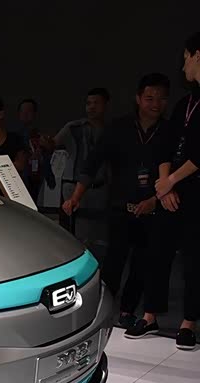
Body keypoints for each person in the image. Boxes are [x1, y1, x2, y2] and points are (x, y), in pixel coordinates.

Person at [63, 73, 171, 330]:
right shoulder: (119, 128)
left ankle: (127, 311)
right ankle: (103, 312)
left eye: (161, 99)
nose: (155, 104)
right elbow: (93, 162)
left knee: (142, 265)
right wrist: (76, 197)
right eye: (149, 98)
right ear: (138, 99)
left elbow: (171, 173)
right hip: (120, 207)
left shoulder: (168, 131)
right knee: (113, 262)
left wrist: (155, 200)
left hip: (152, 209)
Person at [125, 32, 200, 350]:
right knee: (157, 253)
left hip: (195, 193)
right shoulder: (186, 103)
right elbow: (166, 146)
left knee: (194, 260)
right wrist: (165, 183)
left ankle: (189, 323)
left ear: (197, 55)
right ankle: (151, 315)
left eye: (185, 58)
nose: (183, 65)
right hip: (171, 192)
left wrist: (171, 181)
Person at [45, 88, 111, 231]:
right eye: (89, 103)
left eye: (96, 103)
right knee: (74, 227)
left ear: (105, 105)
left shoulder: (110, 130)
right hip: (73, 184)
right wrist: (46, 142)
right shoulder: (74, 127)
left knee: (98, 228)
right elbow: (53, 144)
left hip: (99, 186)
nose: (92, 107)